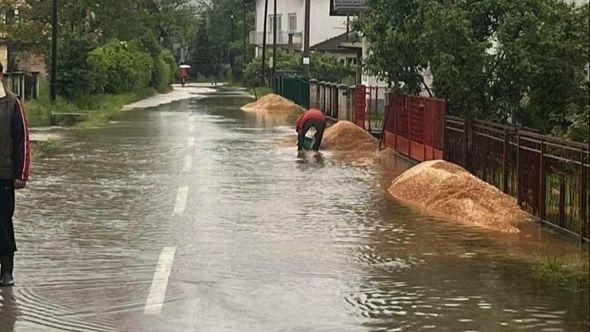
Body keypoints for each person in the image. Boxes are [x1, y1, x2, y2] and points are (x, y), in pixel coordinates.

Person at [0, 63, 31, 287]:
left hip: (3, 175)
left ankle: (7, 270)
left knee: (2, 222)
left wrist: (21, 174)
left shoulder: (12, 104)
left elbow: (22, 141)